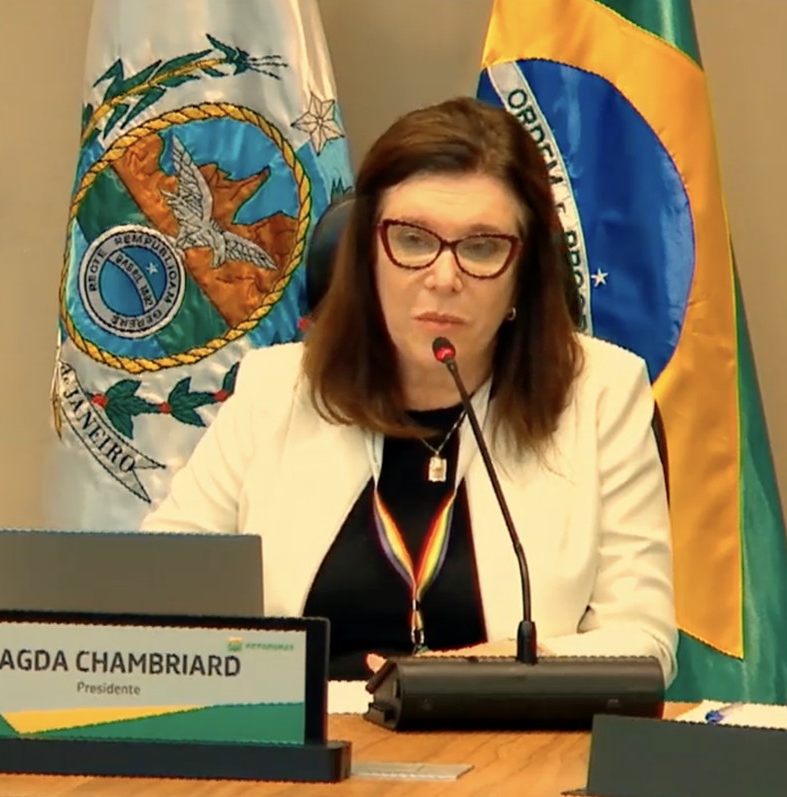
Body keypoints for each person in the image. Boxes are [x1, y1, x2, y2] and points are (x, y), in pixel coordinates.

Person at [140, 96, 677, 684]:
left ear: (524, 273)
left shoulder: (601, 395)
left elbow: (644, 643)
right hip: (307, 731)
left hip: (504, 732)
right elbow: (160, 600)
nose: (443, 278)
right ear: (367, 255)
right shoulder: (275, 390)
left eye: (482, 247)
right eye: (414, 240)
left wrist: (481, 673)